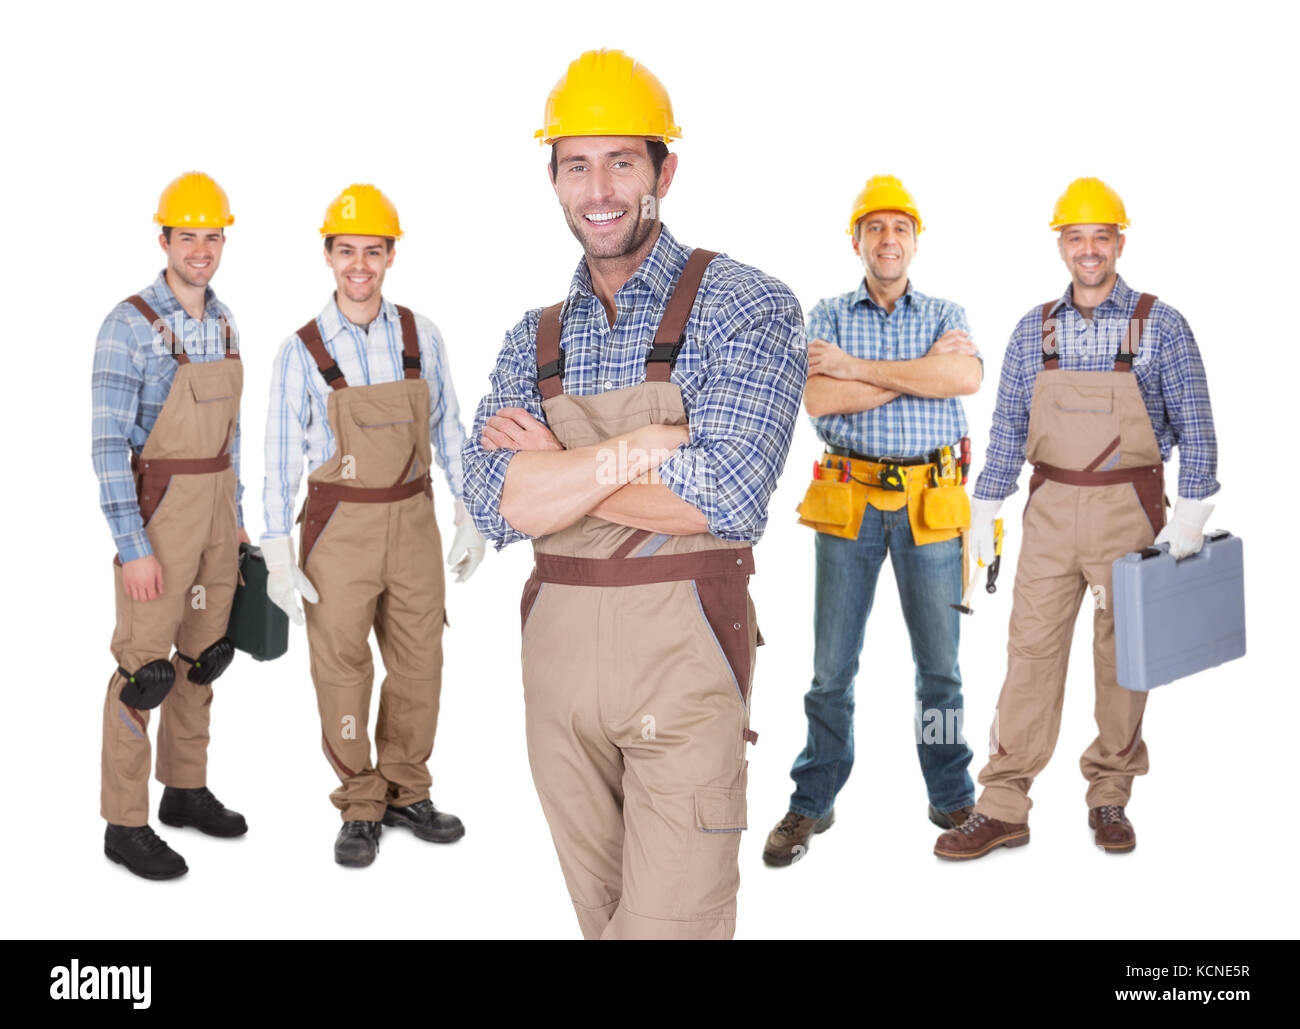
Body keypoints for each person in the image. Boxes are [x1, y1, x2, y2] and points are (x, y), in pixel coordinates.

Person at [461, 48, 806, 939]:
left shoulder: (748, 305)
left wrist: (562, 466)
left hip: (683, 659)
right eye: (577, 164)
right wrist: (642, 450)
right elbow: (496, 505)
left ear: (665, 170)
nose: (600, 187)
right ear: (553, 179)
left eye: (623, 160)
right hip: (555, 676)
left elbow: (728, 494)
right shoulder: (528, 337)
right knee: (603, 923)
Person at [935, 177, 1220, 860]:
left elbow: (1198, 428)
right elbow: (1006, 425)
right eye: (1075, 237)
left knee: (1123, 654)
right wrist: (985, 505)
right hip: (1052, 509)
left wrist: (1191, 515)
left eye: (1100, 236)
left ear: (1121, 240)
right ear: (1060, 243)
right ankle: (1003, 803)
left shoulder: (1160, 324)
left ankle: (1110, 794)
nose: (1088, 250)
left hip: (1131, 509)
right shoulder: (1035, 330)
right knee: (1029, 652)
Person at [763, 175, 983, 867]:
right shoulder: (825, 311)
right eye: (876, 228)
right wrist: (916, 371)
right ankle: (813, 798)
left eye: (901, 228)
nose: (889, 239)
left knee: (940, 669)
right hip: (849, 500)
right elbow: (820, 397)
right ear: (856, 239)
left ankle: (952, 792)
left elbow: (964, 380)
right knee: (832, 668)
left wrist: (862, 369)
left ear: (916, 240)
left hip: (931, 503)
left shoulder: (946, 309)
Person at [262, 184, 484, 868]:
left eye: (374, 250)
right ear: (328, 255)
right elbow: (275, 456)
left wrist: (468, 509)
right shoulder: (300, 351)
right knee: (342, 666)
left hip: (413, 519)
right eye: (347, 250)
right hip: (339, 530)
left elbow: (450, 427)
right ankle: (360, 799)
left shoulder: (422, 335)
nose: (360, 263)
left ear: (391, 256)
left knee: (421, 663)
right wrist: (276, 551)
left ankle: (406, 789)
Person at [93, 171, 249, 880]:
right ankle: (125, 824)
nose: (200, 250)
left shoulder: (223, 321)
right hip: (159, 519)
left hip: (216, 512)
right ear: (164, 239)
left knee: (203, 657)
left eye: (211, 237)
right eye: (187, 236)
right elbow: (105, 445)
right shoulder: (128, 324)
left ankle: (183, 789)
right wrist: (132, 547)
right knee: (144, 671)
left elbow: (231, 433)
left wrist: (237, 520)